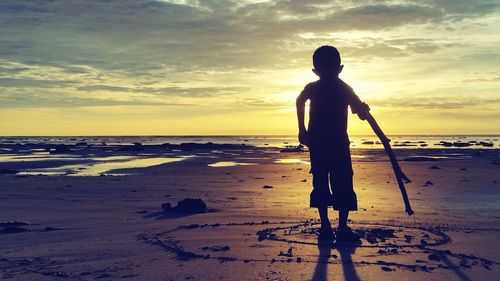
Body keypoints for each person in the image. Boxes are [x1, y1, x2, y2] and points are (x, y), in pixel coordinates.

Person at [296, 45, 370, 241]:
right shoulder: (332, 87)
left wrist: (363, 110)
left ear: (339, 69)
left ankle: (335, 226)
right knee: (326, 180)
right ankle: (330, 226)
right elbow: (299, 101)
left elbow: (360, 114)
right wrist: (301, 129)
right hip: (324, 142)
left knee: (339, 180)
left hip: (330, 142)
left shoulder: (344, 89)